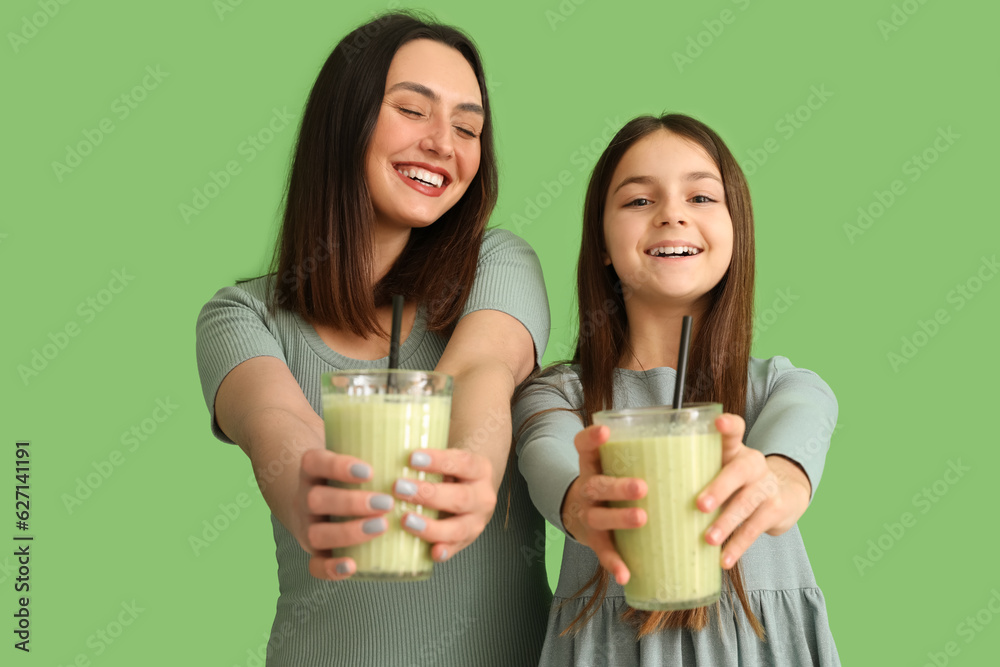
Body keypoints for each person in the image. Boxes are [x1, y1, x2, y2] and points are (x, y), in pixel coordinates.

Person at [195, 12, 551, 666]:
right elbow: (276, 420)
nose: (445, 143)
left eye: (468, 127)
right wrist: (313, 489)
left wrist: (473, 468)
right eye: (414, 110)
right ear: (345, 119)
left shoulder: (498, 264)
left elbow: (482, 368)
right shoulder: (242, 315)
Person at [513, 114, 840, 665]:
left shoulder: (782, 387)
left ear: (736, 231)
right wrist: (580, 504)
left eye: (701, 197)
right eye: (639, 201)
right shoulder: (557, 394)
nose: (672, 214)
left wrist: (773, 483)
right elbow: (548, 455)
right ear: (601, 245)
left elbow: (796, 445)